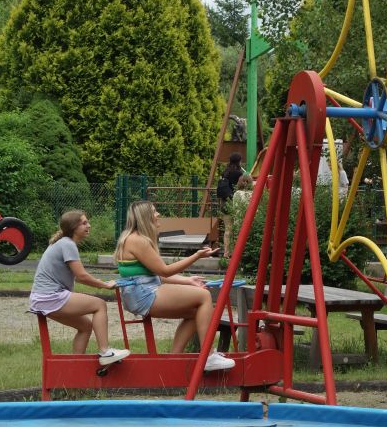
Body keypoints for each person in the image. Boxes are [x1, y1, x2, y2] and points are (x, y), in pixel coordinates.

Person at [116, 200, 236, 372]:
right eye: (154, 212)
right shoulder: (139, 241)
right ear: (145, 217)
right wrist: (196, 256)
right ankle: (208, 357)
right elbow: (164, 271)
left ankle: (174, 360)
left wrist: (188, 280)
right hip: (144, 294)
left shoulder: (133, 238)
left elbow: (155, 274)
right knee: (203, 297)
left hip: (139, 292)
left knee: (197, 312)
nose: (158, 215)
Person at [28, 210, 130, 365]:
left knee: (86, 326)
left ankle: (75, 371)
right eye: (84, 223)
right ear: (73, 227)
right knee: (99, 305)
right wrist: (105, 285)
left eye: (87, 222)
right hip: (50, 297)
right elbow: (82, 276)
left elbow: (79, 276)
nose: (88, 225)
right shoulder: (67, 244)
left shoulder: (63, 243)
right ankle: (105, 351)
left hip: (43, 298)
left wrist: (100, 282)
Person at [217, 152, 246, 256]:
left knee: (227, 229)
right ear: (239, 161)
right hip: (236, 202)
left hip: (224, 203)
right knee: (237, 228)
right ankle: (235, 252)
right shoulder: (239, 173)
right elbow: (242, 186)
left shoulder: (225, 172)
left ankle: (226, 252)